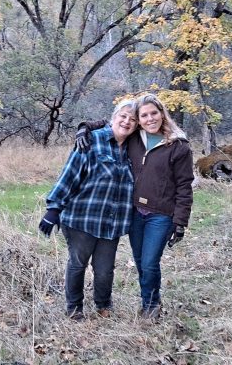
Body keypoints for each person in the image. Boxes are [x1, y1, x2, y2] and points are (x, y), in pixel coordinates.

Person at [76, 94, 194, 319]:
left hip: (161, 215)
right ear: (139, 119)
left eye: (154, 113)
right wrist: (84, 128)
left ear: (162, 113)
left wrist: (180, 222)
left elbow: (184, 186)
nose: (150, 119)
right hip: (135, 213)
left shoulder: (178, 145)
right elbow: (112, 121)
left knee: (150, 262)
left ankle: (152, 305)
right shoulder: (134, 138)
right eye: (144, 115)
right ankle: (146, 299)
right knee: (140, 261)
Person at [38, 99, 138, 321]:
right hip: (83, 218)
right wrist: (53, 209)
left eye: (133, 119)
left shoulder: (134, 148)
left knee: (105, 270)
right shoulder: (92, 140)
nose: (127, 121)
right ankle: (74, 308)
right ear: (113, 117)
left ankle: (103, 305)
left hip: (112, 222)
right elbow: (70, 173)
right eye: (123, 116)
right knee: (77, 264)